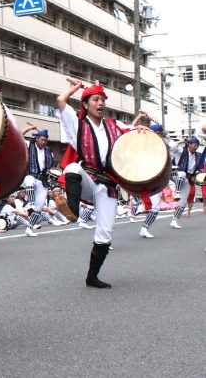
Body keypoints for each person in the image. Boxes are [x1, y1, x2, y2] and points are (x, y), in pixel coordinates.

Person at [57, 81, 146, 289]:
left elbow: (131, 132)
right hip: (87, 177)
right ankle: (73, 210)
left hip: (107, 183)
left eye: (102, 100)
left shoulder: (113, 125)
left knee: (105, 233)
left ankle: (92, 277)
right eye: (95, 100)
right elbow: (61, 100)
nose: (100, 103)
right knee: (72, 168)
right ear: (86, 105)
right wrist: (76, 87)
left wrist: (139, 128)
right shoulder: (77, 124)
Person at [20, 124, 52, 234]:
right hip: (30, 175)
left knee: (39, 207)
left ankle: (29, 228)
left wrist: (41, 131)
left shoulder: (47, 150)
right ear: (37, 138)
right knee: (29, 181)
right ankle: (30, 204)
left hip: (42, 179)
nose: (44, 142)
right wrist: (30, 128)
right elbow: (19, 135)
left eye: (45, 140)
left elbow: (50, 164)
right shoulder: (30, 145)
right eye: (42, 140)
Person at [168, 136, 204, 229]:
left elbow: (198, 169)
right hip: (176, 175)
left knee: (183, 202)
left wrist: (197, 176)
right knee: (182, 174)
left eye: (197, 146)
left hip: (187, 179)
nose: (196, 147)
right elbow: (171, 146)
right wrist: (181, 141)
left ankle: (174, 221)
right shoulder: (181, 151)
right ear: (189, 144)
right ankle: (177, 193)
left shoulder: (198, 156)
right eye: (194, 145)